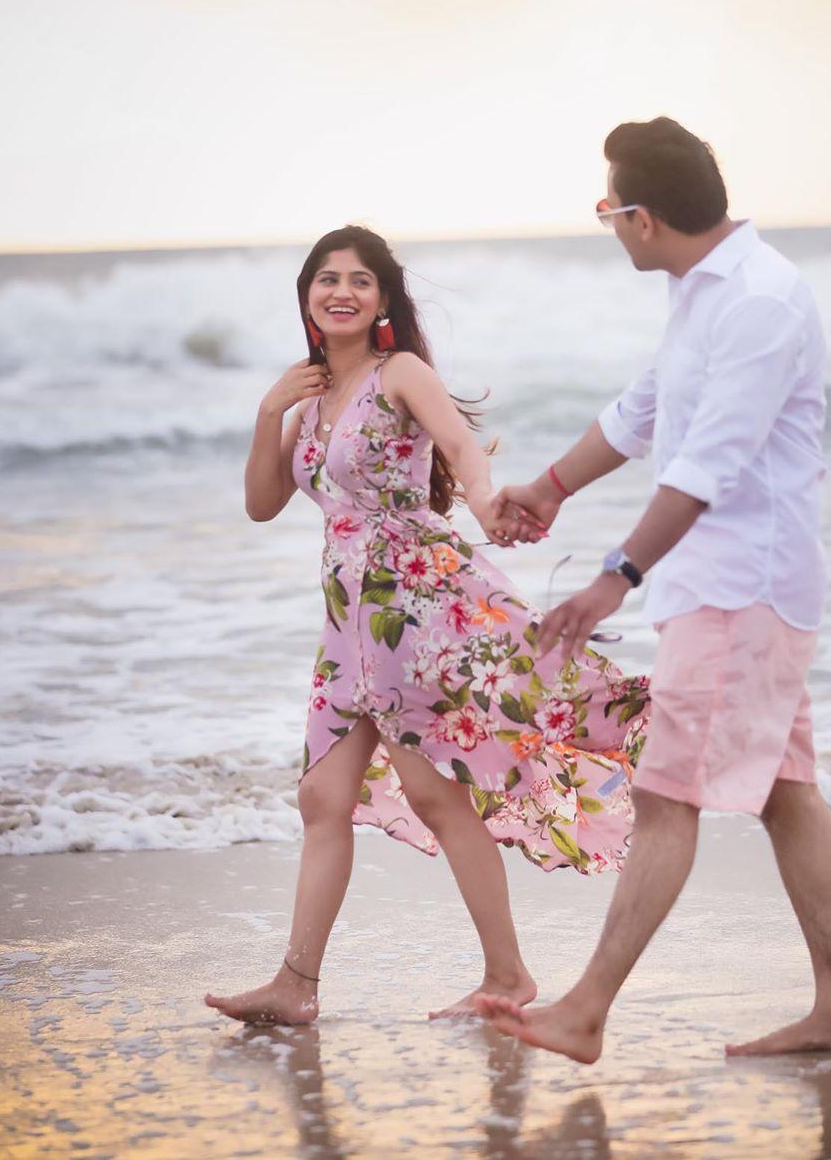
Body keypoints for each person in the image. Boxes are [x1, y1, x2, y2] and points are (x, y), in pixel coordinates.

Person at [477, 118, 831, 1060]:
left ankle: (584, 1011)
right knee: (788, 791)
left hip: (740, 586)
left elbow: (709, 465)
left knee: (667, 796)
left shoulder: (762, 301)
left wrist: (613, 577)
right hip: (730, 586)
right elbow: (643, 410)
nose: (609, 226)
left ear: (644, 217)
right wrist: (548, 488)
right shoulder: (702, 294)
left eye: (608, 211)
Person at [204, 225, 649, 1026]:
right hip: (348, 623)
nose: (342, 290)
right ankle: (295, 983)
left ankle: (507, 973)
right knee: (321, 796)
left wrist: (485, 502)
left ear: (382, 301)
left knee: (433, 794)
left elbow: (458, 446)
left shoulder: (398, 371)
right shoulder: (305, 403)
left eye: (360, 280)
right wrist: (268, 409)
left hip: (412, 606)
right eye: (326, 279)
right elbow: (262, 503)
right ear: (306, 296)